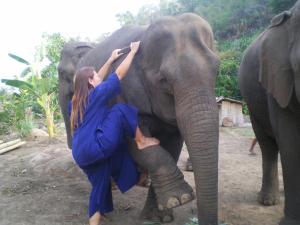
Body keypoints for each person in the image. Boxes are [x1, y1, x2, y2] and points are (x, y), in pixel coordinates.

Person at [70, 41, 159, 225]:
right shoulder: (97, 94)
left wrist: (110, 59)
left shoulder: (76, 103)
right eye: (94, 76)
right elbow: (118, 75)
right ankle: (141, 140)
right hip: (96, 145)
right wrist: (133, 52)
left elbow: (99, 79)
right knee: (120, 110)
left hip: (80, 153)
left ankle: (95, 219)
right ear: (89, 81)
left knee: (100, 183)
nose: (98, 77)